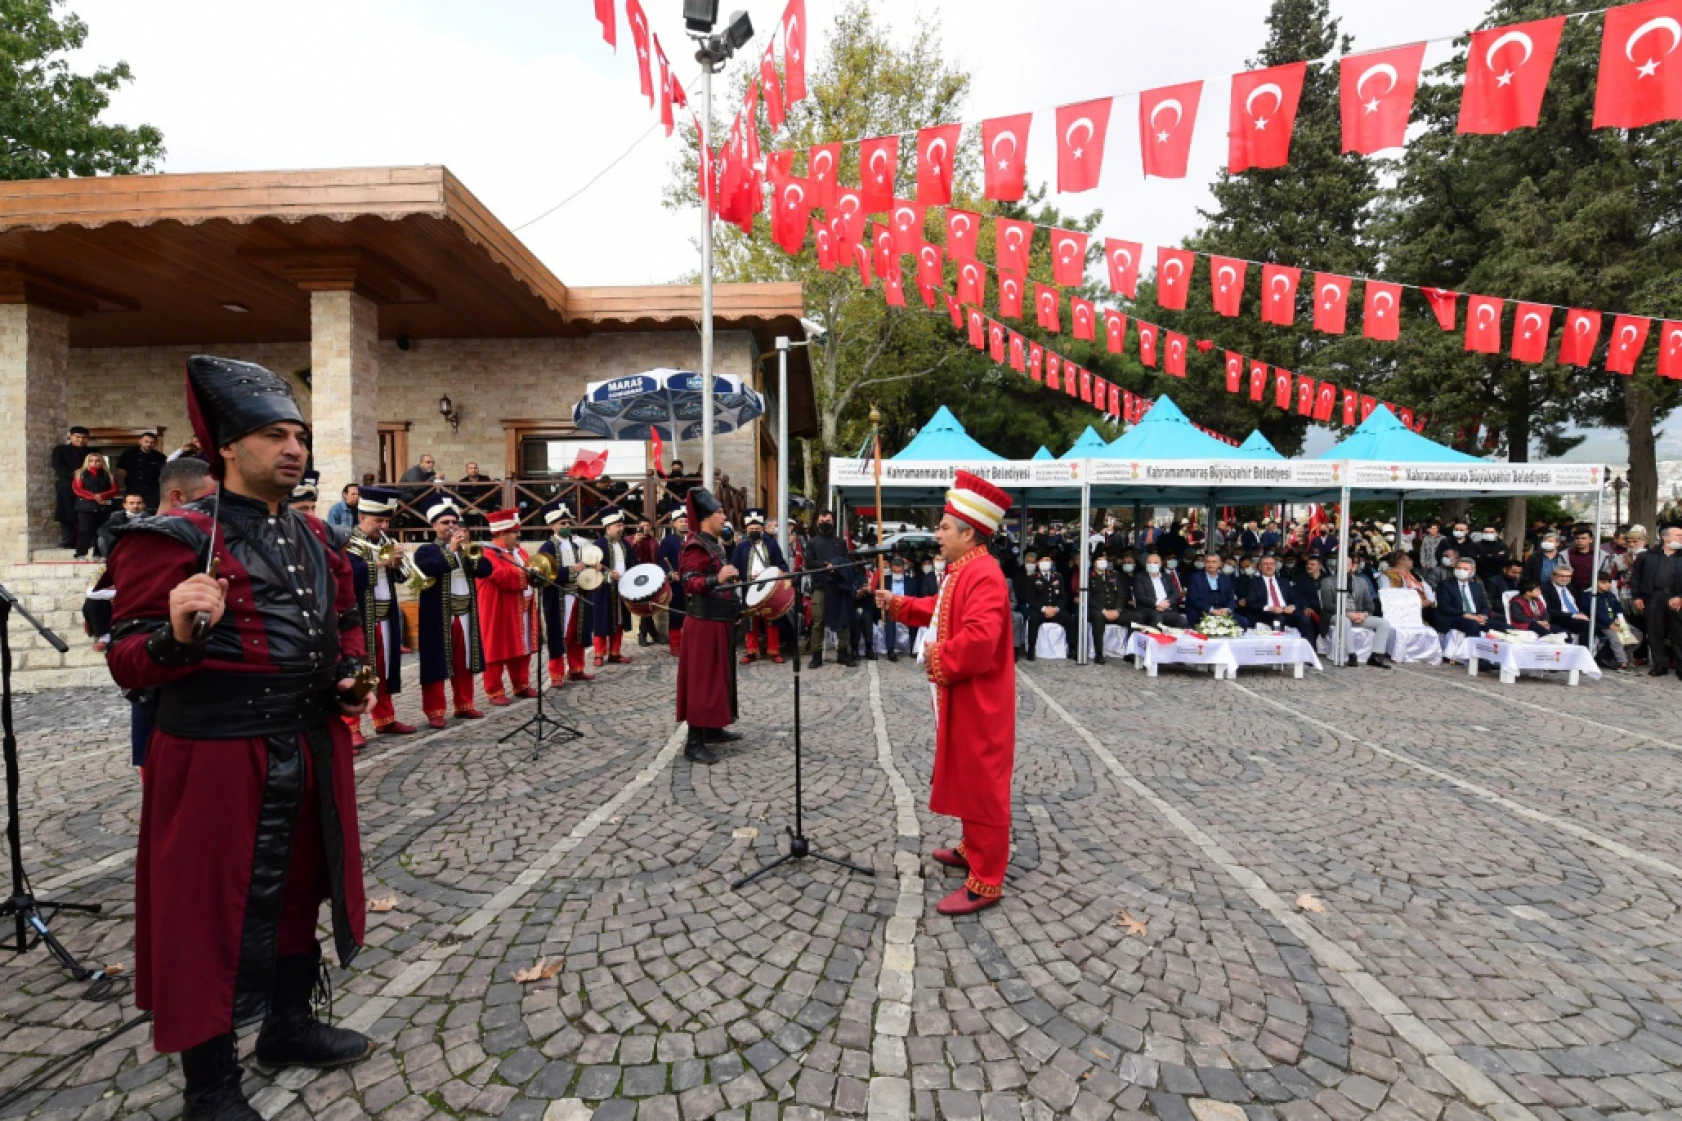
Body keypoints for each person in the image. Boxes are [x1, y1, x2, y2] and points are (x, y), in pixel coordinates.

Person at [103, 356, 373, 1119]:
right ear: (226, 446)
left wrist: (353, 667)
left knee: (297, 889)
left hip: (308, 740)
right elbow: (128, 661)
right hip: (216, 754)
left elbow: (346, 616)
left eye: (299, 435)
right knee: (207, 912)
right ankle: (210, 1085)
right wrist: (179, 635)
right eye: (273, 435)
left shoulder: (319, 537)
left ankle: (287, 1024)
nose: (293, 449)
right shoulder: (169, 536)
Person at [875, 471, 1016, 916]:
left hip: (980, 699)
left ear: (969, 533)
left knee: (984, 782)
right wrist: (898, 605)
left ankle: (987, 880)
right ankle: (972, 849)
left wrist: (936, 657)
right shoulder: (965, 571)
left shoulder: (984, 575)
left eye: (944, 527)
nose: (937, 534)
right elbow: (942, 613)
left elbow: (978, 642)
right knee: (966, 775)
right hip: (965, 697)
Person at [412, 496, 492, 726]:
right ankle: (435, 711)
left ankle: (464, 705)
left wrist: (467, 552)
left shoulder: (467, 550)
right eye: (445, 522)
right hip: (438, 617)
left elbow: (486, 571)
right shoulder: (425, 550)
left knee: (464, 661)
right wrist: (450, 550)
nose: (450, 526)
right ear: (434, 526)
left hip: (465, 613)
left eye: (454, 522)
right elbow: (429, 569)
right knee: (436, 662)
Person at [676, 488, 742, 765]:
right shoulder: (694, 546)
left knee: (719, 678)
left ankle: (713, 727)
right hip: (703, 624)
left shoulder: (713, 543)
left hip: (719, 620)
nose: (724, 516)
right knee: (702, 681)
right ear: (706, 518)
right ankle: (694, 741)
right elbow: (690, 582)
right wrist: (719, 577)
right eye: (719, 512)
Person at [343, 488, 413, 746]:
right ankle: (351, 727)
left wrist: (398, 566)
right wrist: (381, 563)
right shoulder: (349, 542)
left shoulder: (383, 542)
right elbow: (349, 575)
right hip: (361, 617)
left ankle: (385, 718)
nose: (384, 526)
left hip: (386, 615)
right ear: (362, 518)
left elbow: (403, 578)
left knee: (384, 668)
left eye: (386, 521)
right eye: (378, 521)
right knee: (362, 672)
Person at [477, 508, 541, 704]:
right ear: (503, 534)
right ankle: (494, 691)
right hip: (499, 609)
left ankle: (521, 684)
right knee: (496, 648)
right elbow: (501, 575)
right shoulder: (487, 553)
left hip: (523, 606)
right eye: (515, 532)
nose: (518, 535)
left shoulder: (519, 551)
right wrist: (528, 574)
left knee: (523, 647)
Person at [537, 502, 594, 688]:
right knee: (557, 634)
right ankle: (556, 674)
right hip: (558, 597)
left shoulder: (577, 546)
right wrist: (572, 570)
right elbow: (546, 573)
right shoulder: (547, 547)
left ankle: (576, 668)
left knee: (576, 633)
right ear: (552, 526)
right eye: (562, 523)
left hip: (577, 593)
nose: (567, 526)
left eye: (568, 523)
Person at [731, 510, 788, 664]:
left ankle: (773, 650)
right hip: (749, 588)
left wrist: (783, 573)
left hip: (769, 589)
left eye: (757, 529)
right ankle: (751, 651)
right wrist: (734, 575)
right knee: (750, 620)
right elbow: (734, 566)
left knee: (771, 619)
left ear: (762, 528)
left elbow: (781, 563)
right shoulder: (741, 547)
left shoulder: (772, 544)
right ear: (746, 529)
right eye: (751, 529)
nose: (754, 531)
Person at [803, 509, 852, 668]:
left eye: (828, 521)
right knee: (818, 622)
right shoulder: (812, 542)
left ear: (833, 522)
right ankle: (816, 656)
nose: (825, 523)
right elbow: (809, 563)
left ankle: (843, 653)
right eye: (822, 521)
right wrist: (826, 565)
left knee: (842, 621)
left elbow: (847, 562)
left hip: (838, 586)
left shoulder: (841, 542)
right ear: (817, 522)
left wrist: (836, 566)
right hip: (821, 587)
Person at [589, 511, 634, 666]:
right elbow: (591, 569)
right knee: (602, 620)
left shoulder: (625, 544)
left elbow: (632, 564)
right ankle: (599, 654)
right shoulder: (598, 546)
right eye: (618, 526)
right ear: (608, 528)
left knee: (619, 620)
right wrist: (608, 576)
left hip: (622, 588)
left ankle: (615, 652)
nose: (621, 529)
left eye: (622, 525)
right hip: (604, 590)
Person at [1243, 555, 1318, 645]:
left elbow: (1295, 599)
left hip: (1286, 611)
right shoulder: (1254, 582)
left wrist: (1292, 607)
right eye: (1265, 564)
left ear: (1275, 566)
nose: (1269, 566)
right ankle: (1279, 652)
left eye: (1271, 564)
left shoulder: (1284, 581)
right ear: (1259, 567)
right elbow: (1251, 602)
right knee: (1278, 619)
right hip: (1266, 613)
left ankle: (1309, 651)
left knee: (1304, 619)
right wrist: (1270, 608)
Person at [70, 450, 119, 559]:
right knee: (85, 530)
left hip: (104, 506)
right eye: (91, 461)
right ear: (87, 462)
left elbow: (114, 489)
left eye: (97, 461)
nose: (94, 463)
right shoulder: (80, 474)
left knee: (101, 531)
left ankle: (98, 553)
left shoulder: (108, 475)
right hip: (86, 506)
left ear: (102, 462)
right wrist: (94, 496)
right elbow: (77, 489)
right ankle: (80, 553)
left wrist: (102, 495)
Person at [51, 425, 92, 548]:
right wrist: (74, 474)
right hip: (66, 485)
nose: (80, 440)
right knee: (66, 512)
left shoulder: (93, 451)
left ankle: (89, 540)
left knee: (88, 513)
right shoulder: (60, 450)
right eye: (77, 437)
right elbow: (57, 465)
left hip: (88, 485)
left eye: (84, 437)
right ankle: (67, 540)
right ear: (70, 437)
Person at [1023, 550, 1068, 661]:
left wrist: (1056, 608)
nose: (1045, 562)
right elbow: (1031, 598)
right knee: (1033, 619)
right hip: (1039, 610)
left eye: (1047, 560)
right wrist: (1044, 609)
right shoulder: (1032, 578)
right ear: (1037, 563)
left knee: (1069, 619)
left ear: (1051, 563)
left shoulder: (1058, 577)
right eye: (1042, 560)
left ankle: (1072, 647)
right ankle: (1031, 648)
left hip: (1054, 609)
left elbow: (1063, 597)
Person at [1086, 554, 1130, 664]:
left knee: (1137, 617)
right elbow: (1088, 597)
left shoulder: (1114, 574)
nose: (1102, 561)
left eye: (1105, 559)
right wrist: (1103, 610)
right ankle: (1099, 653)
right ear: (1094, 562)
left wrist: (1118, 609)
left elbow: (1121, 594)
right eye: (1099, 559)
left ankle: (1130, 652)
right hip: (1098, 610)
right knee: (1098, 617)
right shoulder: (1088, 575)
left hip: (1115, 611)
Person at [1435, 556, 1492, 640]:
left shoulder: (1476, 586)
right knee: (1473, 624)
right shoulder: (1445, 584)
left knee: (1503, 626)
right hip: (1455, 617)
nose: (1461, 571)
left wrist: (1483, 616)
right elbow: (1445, 607)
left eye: (1465, 569)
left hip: (1476, 617)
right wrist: (1467, 615)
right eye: (1459, 568)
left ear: (1472, 571)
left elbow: (1485, 606)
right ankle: (1473, 651)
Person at [656, 510, 688, 657]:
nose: (684, 524)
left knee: (694, 615)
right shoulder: (668, 541)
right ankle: (675, 645)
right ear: (674, 524)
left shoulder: (695, 538)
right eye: (681, 521)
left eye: (686, 521)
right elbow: (661, 562)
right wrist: (669, 574)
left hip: (693, 583)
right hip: (676, 584)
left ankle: (691, 644)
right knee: (676, 614)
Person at [115, 431, 168, 512]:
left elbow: (164, 473)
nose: (149, 444)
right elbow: (120, 470)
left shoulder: (160, 456)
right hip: (133, 488)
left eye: (152, 442)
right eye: (146, 441)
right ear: (140, 441)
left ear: (155, 444)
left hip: (152, 490)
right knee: (131, 513)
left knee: (151, 513)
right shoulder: (128, 454)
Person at [1185, 552, 1240, 628]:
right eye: (1208, 562)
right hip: (1202, 612)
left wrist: (1228, 609)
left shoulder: (1226, 578)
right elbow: (1193, 599)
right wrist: (1211, 610)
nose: (1211, 565)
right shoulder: (1195, 578)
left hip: (1222, 611)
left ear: (1220, 564)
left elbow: (1231, 598)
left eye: (1214, 562)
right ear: (1204, 564)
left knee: (1243, 623)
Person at [1133, 552, 1187, 629]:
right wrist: (1157, 603)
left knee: (1182, 621)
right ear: (1145, 564)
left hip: (1167, 608)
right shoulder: (1139, 577)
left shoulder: (1166, 577)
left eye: (1155, 563)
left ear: (1161, 564)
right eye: (1149, 563)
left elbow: (1175, 592)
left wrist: (1167, 602)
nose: (1152, 565)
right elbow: (1140, 596)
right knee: (1157, 619)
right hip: (1149, 609)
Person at [96, 492, 149, 559]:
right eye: (131, 503)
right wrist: (113, 539)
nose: (135, 506)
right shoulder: (117, 515)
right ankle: (111, 562)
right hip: (121, 543)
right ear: (125, 505)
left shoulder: (150, 517)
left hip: (141, 545)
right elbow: (102, 529)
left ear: (144, 505)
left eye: (139, 503)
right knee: (101, 539)